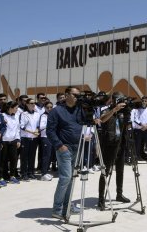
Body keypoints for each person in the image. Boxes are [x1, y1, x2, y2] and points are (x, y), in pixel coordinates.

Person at [46, 86, 84, 220]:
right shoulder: (57, 111)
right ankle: (57, 208)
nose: (77, 97)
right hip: (65, 148)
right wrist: (59, 145)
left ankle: (67, 206)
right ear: (67, 95)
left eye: (79, 95)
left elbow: (87, 124)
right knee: (65, 178)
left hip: (78, 147)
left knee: (72, 178)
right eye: (75, 94)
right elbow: (49, 130)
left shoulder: (80, 110)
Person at [97, 92, 131, 210]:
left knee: (120, 171)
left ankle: (119, 194)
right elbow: (102, 119)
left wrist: (126, 112)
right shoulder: (106, 109)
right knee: (105, 171)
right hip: (109, 144)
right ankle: (101, 198)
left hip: (120, 143)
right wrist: (114, 110)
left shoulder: (123, 111)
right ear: (113, 100)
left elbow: (126, 126)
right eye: (118, 100)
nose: (121, 102)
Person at [0, 101, 21, 184]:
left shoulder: (16, 116)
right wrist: (0, 141)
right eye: (16, 108)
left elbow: (17, 129)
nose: (17, 110)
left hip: (13, 140)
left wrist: (18, 139)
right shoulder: (2, 116)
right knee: (3, 160)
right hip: (4, 140)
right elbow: (1, 128)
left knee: (14, 159)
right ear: (11, 108)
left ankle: (12, 176)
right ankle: (1, 177)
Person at [19, 98, 40, 181]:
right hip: (25, 137)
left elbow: (38, 125)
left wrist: (37, 131)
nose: (33, 104)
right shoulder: (23, 114)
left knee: (32, 156)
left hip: (34, 138)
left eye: (34, 103)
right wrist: (32, 132)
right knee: (24, 157)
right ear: (27, 104)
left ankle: (31, 172)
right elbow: (22, 126)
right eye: (31, 103)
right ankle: (23, 174)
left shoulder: (37, 114)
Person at [131, 96, 147, 164]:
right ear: (141, 102)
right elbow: (136, 119)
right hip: (139, 129)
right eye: (143, 101)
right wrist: (142, 125)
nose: (144, 102)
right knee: (137, 144)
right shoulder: (137, 110)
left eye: (145, 101)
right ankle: (135, 158)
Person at [38, 101, 54, 181]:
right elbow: (41, 126)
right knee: (46, 155)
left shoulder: (53, 115)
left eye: (51, 107)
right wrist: (51, 123)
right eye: (47, 107)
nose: (49, 109)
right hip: (45, 136)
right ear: (44, 108)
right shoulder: (44, 116)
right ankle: (43, 173)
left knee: (50, 155)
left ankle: (46, 171)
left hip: (52, 137)